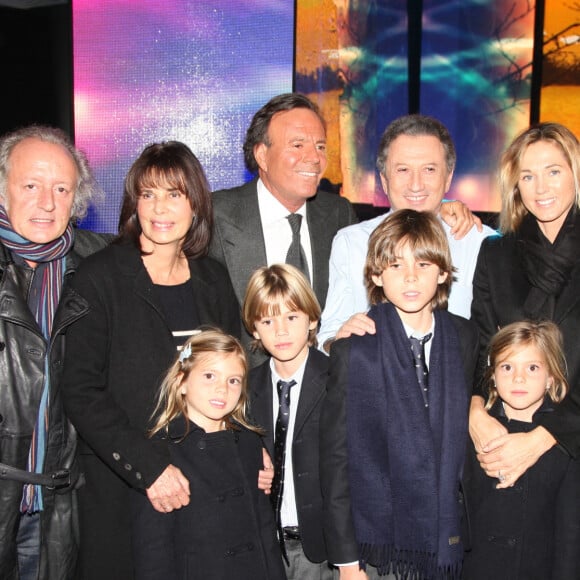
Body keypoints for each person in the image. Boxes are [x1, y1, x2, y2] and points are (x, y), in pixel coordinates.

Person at [61, 141, 242, 579]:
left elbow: (237, 373)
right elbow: (81, 390)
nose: (160, 207)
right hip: (124, 488)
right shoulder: (98, 277)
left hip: (205, 481)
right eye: (148, 194)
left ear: (196, 205)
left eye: (174, 194)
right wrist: (149, 467)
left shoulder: (213, 278)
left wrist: (254, 452)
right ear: (134, 203)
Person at [320, 210, 478, 579]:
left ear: (442, 273)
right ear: (376, 275)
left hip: (449, 533)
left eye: (423, 264)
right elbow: (335, 460)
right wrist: (346, 561)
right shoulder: (354, 349)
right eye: (394, 265)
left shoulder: (465, 338)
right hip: (378, 542)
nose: (410, 277)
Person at [0, 125, 109, 580]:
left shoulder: (101, 270)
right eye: (31, 186)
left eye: (61, 189)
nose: (47, 202)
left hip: (68, 509)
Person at [318, 114, 495, 351]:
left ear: (448, 176)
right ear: (383, 178)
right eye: (402, 170)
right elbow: (326, 338)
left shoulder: (479, 242)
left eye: (429, 169)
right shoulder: (352, 242)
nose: (416, 184)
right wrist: (339, 341)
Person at [469, 122, 580, 489]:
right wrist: (473, 410)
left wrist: (544, 437)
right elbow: (482, 344)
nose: (541, 188)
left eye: (553, 171)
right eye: (528, 176)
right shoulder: (497, 254)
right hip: (506, 440)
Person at [209, 93, 358, 356]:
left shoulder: (338, 214)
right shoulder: (215, 215)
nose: (314, 157)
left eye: (320, 146)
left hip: (323, 388)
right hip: (241, 389)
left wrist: (443, 214)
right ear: (262, 156)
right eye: (298, 145)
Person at [130, 328, 286, 580]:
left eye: (233, 380)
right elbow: (153, 553)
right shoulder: (158, 455)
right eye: (210, 376)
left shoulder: (249, 444)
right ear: (181, 382)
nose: (222, 389)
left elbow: (266, 534)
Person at [462, 320, 580, 580]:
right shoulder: (473, 431)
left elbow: (570, 535)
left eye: (532, 367)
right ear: (492, 376)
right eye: (507, 366)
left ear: (551, 378)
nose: (518, 377)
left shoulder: (564, 444)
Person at [243, 264, 333, 579]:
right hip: (264, 546)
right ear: (254, 329)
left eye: (291, 317)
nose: (280, 331)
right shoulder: (242, 389)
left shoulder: (337, 380)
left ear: (312, 319)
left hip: (322, 550)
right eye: (268, 321)